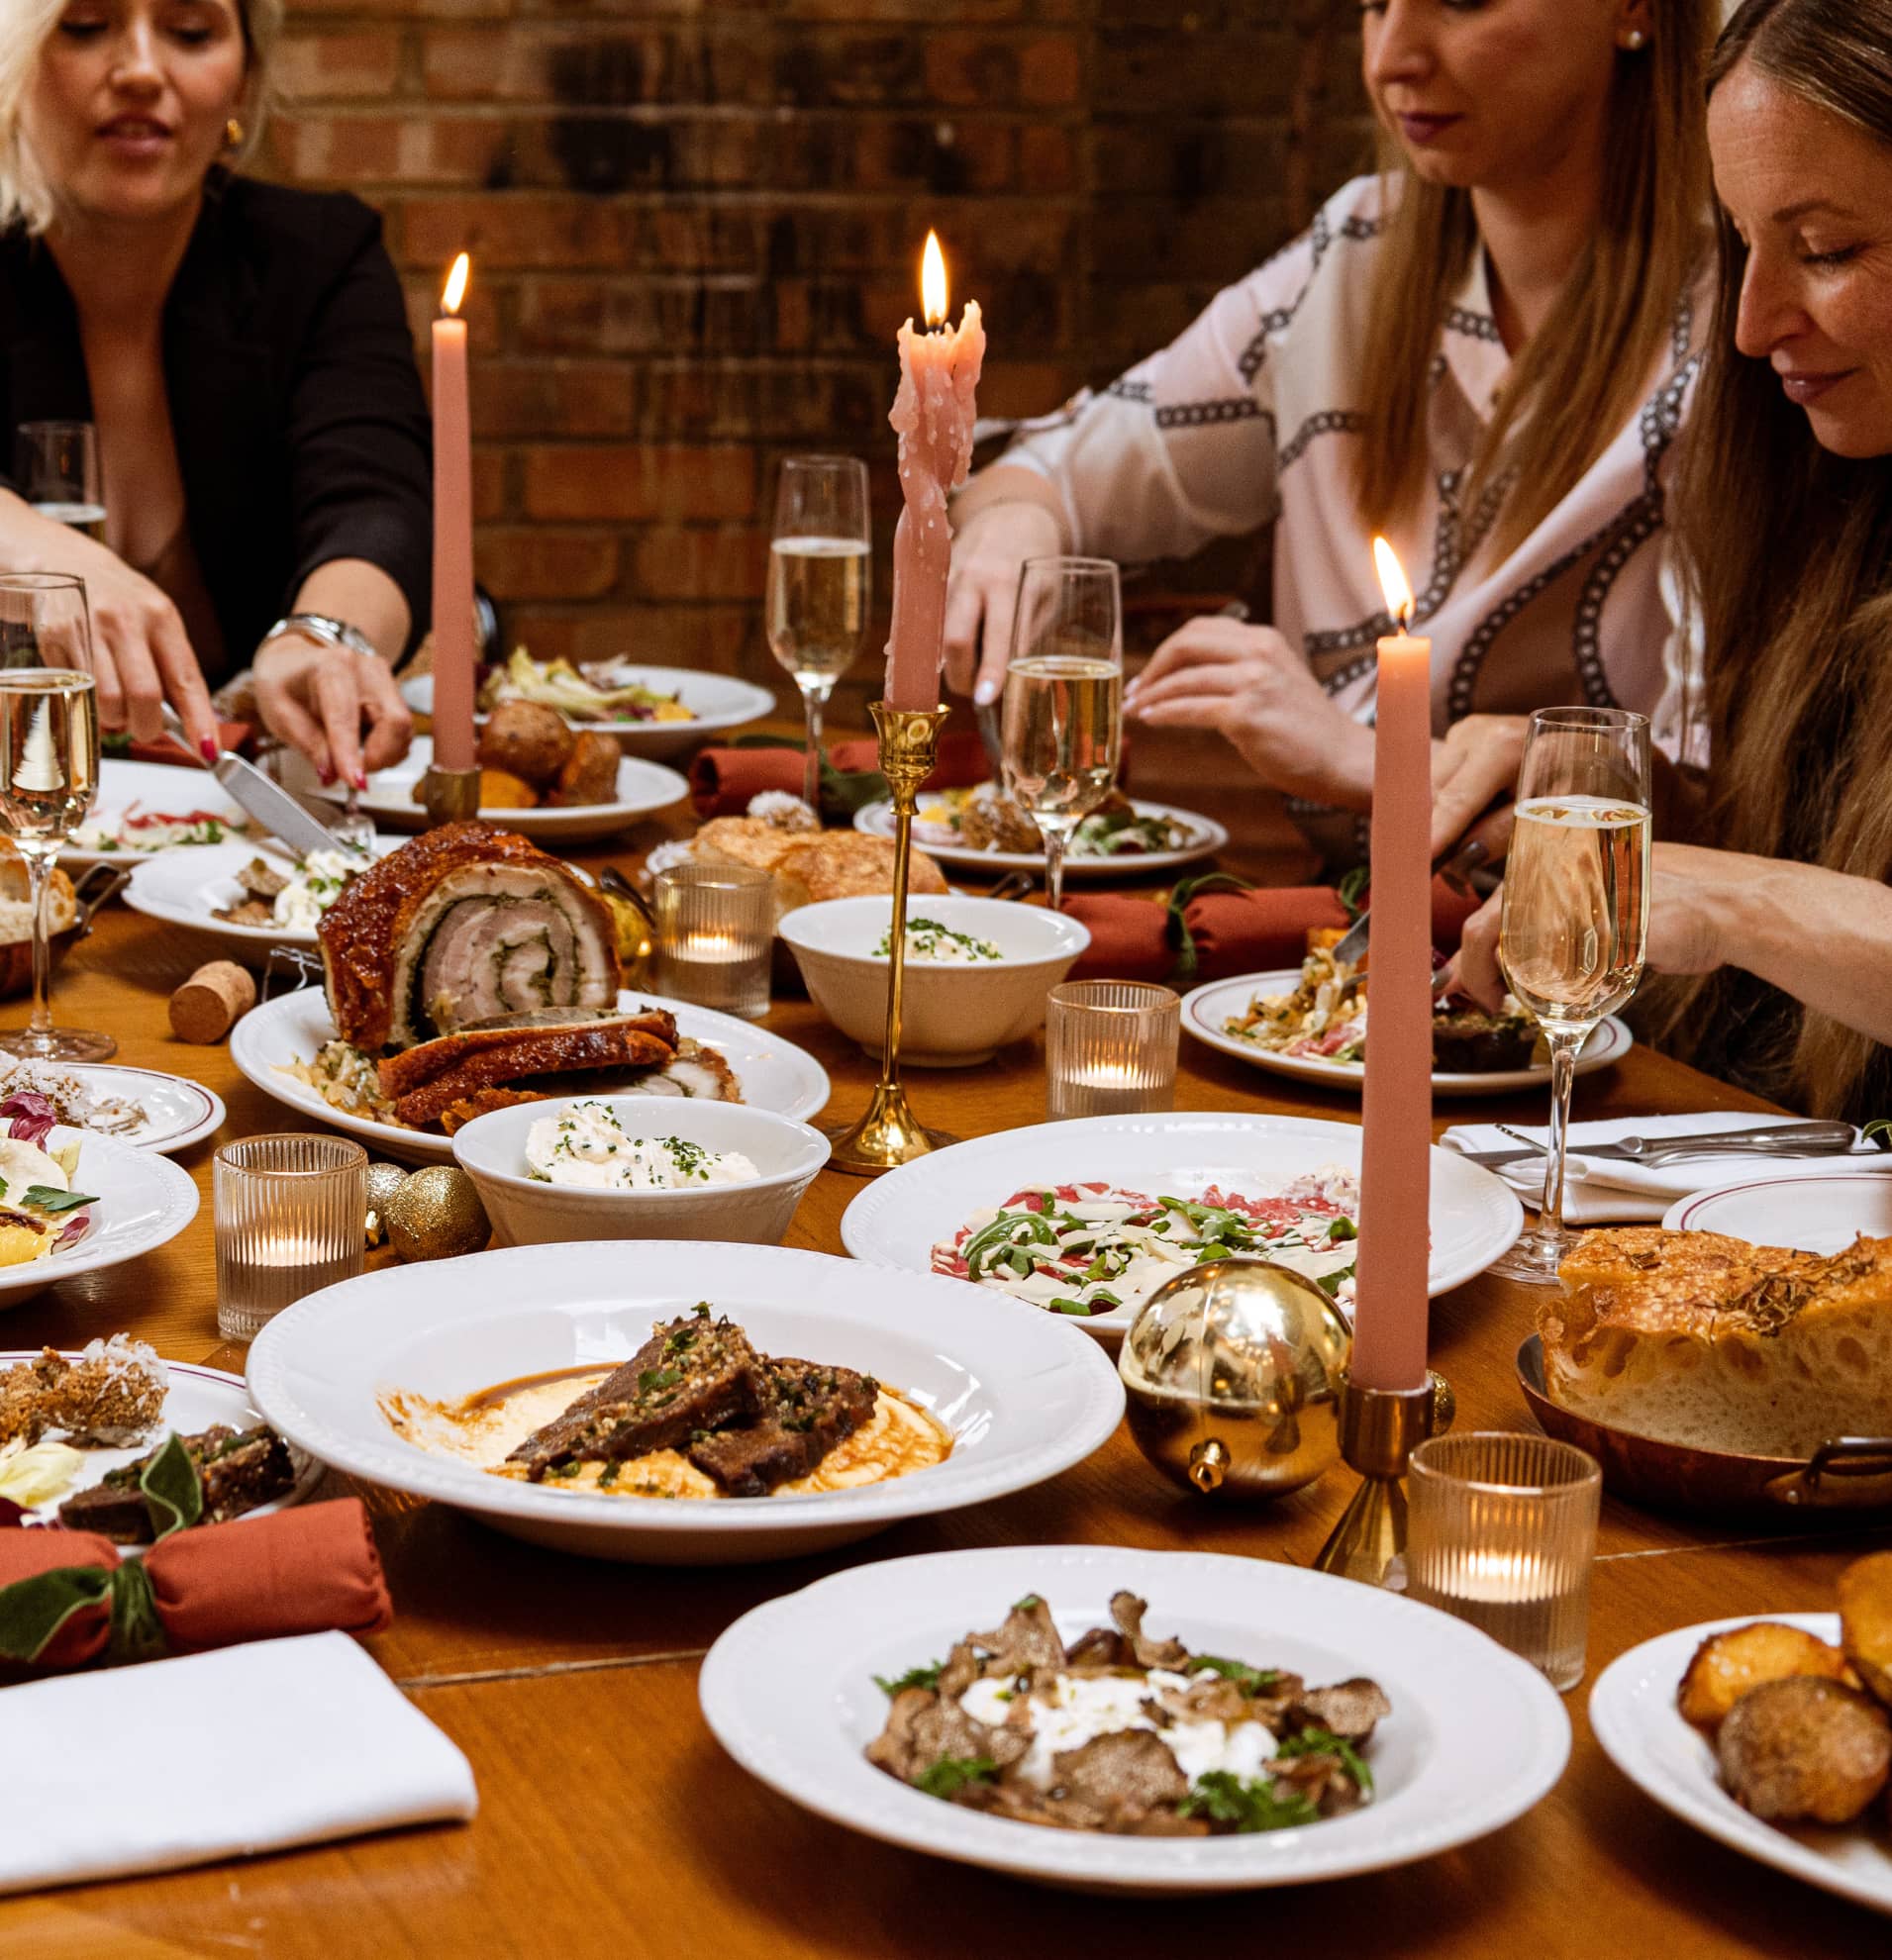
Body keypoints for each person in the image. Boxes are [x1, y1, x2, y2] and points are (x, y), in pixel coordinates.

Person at [945, 0, 1715, 870]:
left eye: (1460, 2)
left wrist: (1364, 762)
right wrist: (1019, 518)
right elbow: (1065, 467)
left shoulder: (1746, 317)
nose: (1391, 58)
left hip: (1612, 987)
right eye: (1373, 4)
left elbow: (1731, 827)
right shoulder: (1357, 251)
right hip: (1338, 958)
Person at [1455, 0, 1892, 1126]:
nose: (1752, 325)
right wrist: (1622, 809)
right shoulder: (1819, 494)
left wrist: (1734, 895)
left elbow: (1780, 900)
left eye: (1829, 250)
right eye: (1744, 247)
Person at [0, 0, 424, 787]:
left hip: (228, 842)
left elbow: (377, 501)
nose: (139, 69)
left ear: (244, 79)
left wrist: (322, 640)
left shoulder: (318, 256)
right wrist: (24, 546)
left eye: (190, 32)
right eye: (86, 25)